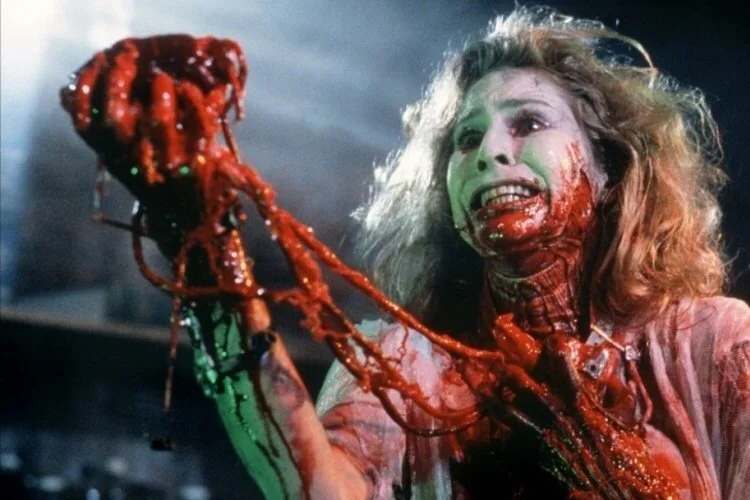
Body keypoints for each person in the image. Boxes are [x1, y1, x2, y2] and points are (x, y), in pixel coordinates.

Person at [62, 6, 749, 499]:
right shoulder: (401, 364)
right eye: (465, 140)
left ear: (610, 169)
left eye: (528, 123)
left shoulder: (717, 346)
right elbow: (317, 489)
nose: (490, 152)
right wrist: (199, 236)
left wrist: (613, 467)